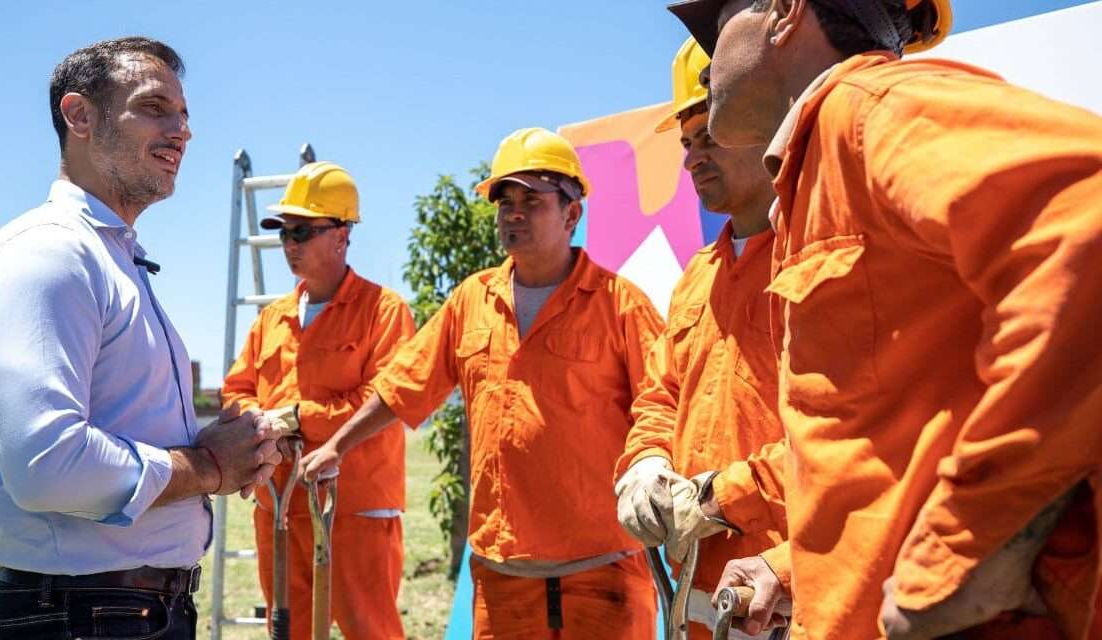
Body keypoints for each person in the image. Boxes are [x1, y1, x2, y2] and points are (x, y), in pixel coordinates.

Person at [663, 1, 1102, 637]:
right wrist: (789, 568)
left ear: (784, 12)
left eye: (714, 25)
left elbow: (1086, 230)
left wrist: (957, 546)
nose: (705, 70)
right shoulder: (814, 174)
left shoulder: (869, 110)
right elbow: (892, 436)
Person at [0, 37, 281, 640]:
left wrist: (215, 447)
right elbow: (47, 465)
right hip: (84, 617)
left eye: (183, 116)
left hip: (120, 614)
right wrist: (207, 467)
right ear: (78, 115)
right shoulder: (48, 252)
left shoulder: (111, 258)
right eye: (155, 107)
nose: (181, 131)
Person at [299, 127, 664, 638]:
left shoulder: (620, 304)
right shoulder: (471, 300)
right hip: (502, 572)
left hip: (602, 566)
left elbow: (664, 403)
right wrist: (337, 444)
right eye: (504, 201)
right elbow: (404, 384)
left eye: (531, 200)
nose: (513, 213)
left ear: (571, 213)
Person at [613, 36, 787, 640]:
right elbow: (660, 397)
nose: (692, 160)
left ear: (766, 124)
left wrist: (721, 498)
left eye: (708, 136)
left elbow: (843, 437)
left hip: (788, 593)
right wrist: (647, 463)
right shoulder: (697, 279)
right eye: (687, 144)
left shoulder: (814, 262)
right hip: (697, 596)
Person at [221, 161, 416, 639]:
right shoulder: (274, 318)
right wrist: (261, 421)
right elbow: (236, 392)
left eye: (303, 232)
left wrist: (296, 420)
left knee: (370, 631)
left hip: (356, 512)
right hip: (280, 507)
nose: (290, 244)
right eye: (285, 233)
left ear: (341, 235)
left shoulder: (384, 312)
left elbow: (386, 399)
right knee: (288, 631)